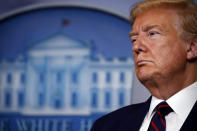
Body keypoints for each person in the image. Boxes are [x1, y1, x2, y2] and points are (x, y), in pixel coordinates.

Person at [90, 0, 197, 130]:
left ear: (192, 48)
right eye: (134, 39)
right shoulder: (106, 126)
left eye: (152, 34)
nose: (136, 47)